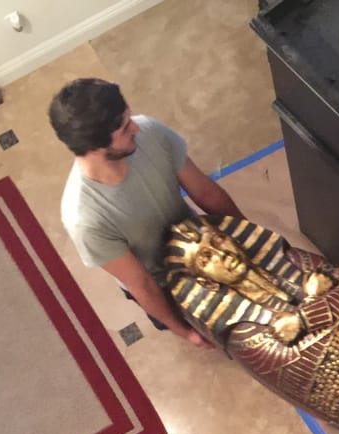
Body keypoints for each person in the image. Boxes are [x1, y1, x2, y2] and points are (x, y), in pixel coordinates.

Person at [49, 78, 245, 348]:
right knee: (235, 334)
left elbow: (206, 192)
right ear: (95, 148)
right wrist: (185, 331)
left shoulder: (151, 132)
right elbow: (141, 283)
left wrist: (248, 238)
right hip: (163, 282)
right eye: (124, 128)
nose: (136, 127)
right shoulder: (85, 219)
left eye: (129, 118)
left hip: (200, 243)